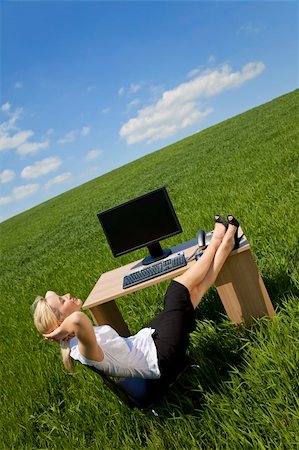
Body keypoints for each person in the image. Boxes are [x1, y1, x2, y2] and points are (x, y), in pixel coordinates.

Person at [32, 215, 241, 382]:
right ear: (61, 322)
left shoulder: (78, 340)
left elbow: (77, 322)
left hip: (146, 343)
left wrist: (60, 329)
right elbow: (79, 321)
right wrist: (60, 331)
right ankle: (216, 240)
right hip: (158, 359)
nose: (67, 296)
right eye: (61, 300)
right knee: (177, 289)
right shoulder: (81, 347)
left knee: (191, 295)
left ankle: (224, 246)